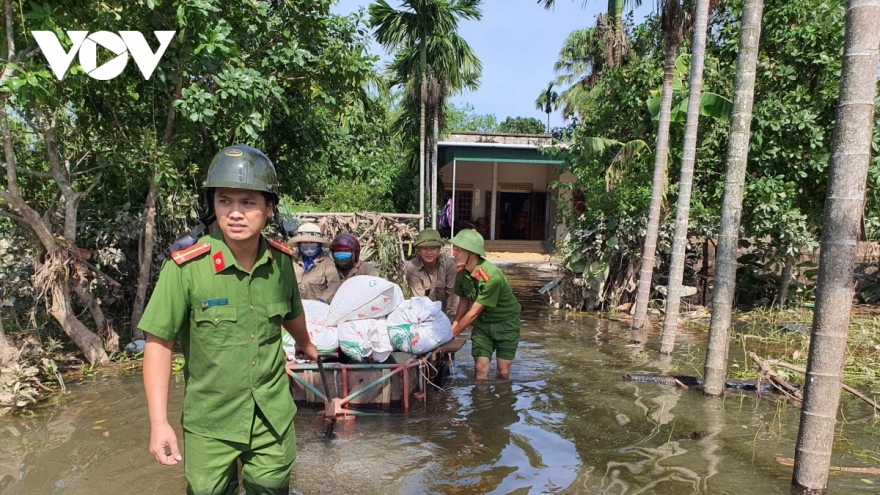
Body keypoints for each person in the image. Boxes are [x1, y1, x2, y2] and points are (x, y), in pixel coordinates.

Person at [139, 144, 318, 495]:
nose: (235, 213)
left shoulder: (281, 263)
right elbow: (158, 343)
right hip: (210, 424)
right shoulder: (186, 268)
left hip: (272, 419)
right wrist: (158, 423)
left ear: (269, 209)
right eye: (225, 201)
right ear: (212, 206)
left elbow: (292, 313)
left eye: (248, 203)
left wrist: (306, 344)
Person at [449, 229, 521, 380]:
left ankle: (501, 401)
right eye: (454, 249)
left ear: (472, 253)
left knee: (503, 372)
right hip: (482, 325)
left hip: (506, 324)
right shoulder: (462, 273)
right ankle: (481, 402)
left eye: (458, 250)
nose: (453, 254)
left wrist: (452, 335)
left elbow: (473, 313)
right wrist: (452, 328)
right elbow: (463, 301)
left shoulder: (491, 277)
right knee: (480, 368)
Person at [404, 229, 459, 320]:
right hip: (424, 315)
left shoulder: (449, 265)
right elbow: (419, 301)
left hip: (446, 315)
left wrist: (450, 322)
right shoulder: (412, 267)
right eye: (424, 248)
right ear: (418, 250)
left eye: (433, 248)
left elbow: (453, 297)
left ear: (439, 249)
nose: (429, 252)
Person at [287, 222, 341, 303]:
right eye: (305, 242)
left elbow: (334, 284)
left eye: (312, 242)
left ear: (319, 244)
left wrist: (322, 299)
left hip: (319, 309)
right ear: (299, 244)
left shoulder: (326, 262)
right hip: (295, 309)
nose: (308, 245)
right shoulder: (292, 261)